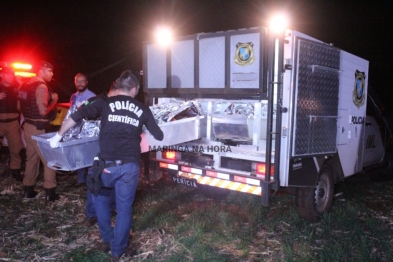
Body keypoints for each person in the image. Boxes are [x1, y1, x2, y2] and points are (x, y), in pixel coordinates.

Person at [49, 70, 163, 260]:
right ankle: (118, 251)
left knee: (101, 200)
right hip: (129, 166)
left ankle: (107, 238)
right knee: (124, 209)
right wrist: (139, 126)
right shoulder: (143, 109)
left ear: (118, 87)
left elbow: (77, 116)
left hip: (105, 165)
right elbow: (159, 135)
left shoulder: (105, 103)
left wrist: (58, 136)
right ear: (135, 89)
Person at [18, 61, 59, 201]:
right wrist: (54, 101)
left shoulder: (24, 85)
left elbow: (19, 106)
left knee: (31, 158)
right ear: (42, 70)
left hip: (27, 126)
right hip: (39, 129)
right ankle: (50, 192)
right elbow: (42, 112)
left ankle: (28, 189)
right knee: (49, 159)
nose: (52, 74)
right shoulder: (42, 87)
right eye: (50, 71)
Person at [69, 73, 96, 187]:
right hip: (76, 131)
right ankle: (81, 180)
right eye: (77, 81)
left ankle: (90, 181)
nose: (80, 84)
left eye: (82, 81)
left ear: (86, 82)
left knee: (89, 156)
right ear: (75, 82)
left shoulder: (92, 96)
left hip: (88, 131)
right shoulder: (73, 97)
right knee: (78, 156)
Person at [0, 67, 24, 181]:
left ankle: (16, 171)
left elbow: (26, 97)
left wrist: (21, 85)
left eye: (12, 74)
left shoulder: (16, 88)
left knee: (16, 148)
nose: (11, 76)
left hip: (13, 122)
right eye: (8, 74)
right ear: (2, 75)